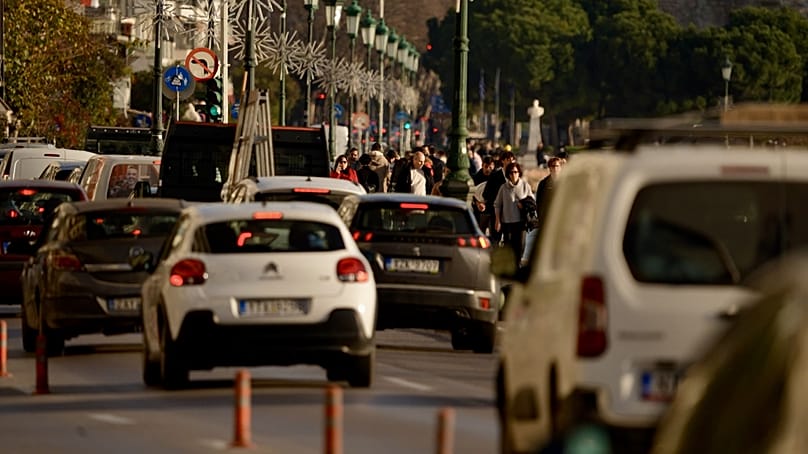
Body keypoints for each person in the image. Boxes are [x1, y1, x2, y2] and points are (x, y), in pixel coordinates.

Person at [520, 156, 564, 267]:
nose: (555, 168)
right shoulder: (544, 184)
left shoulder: (565, 183)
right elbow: (539, 202)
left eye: (557, 166)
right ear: (549, 168)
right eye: (553, 166)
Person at [495, 162, 534, 267]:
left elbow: (532, 203)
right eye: (511, 172)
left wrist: (524, 205)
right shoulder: (503, 188)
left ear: (519, 173)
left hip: (521, 222)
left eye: (516, 172)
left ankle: (517, 265)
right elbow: (497, 205)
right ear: (508, 174)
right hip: (507, 222)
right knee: (508, 247)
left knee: (520, 246)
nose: (513, 174)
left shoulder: (525, 186)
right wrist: (497, 220)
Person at [481, 150, 515, 242]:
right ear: (503, 161)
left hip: (511, 215)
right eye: (508, 160)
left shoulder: (515, 176)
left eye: (513, 160)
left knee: (509, 242)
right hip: (496, 214)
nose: (511, 162)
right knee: (495, 240)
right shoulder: (494, 176)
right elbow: (486, 194)